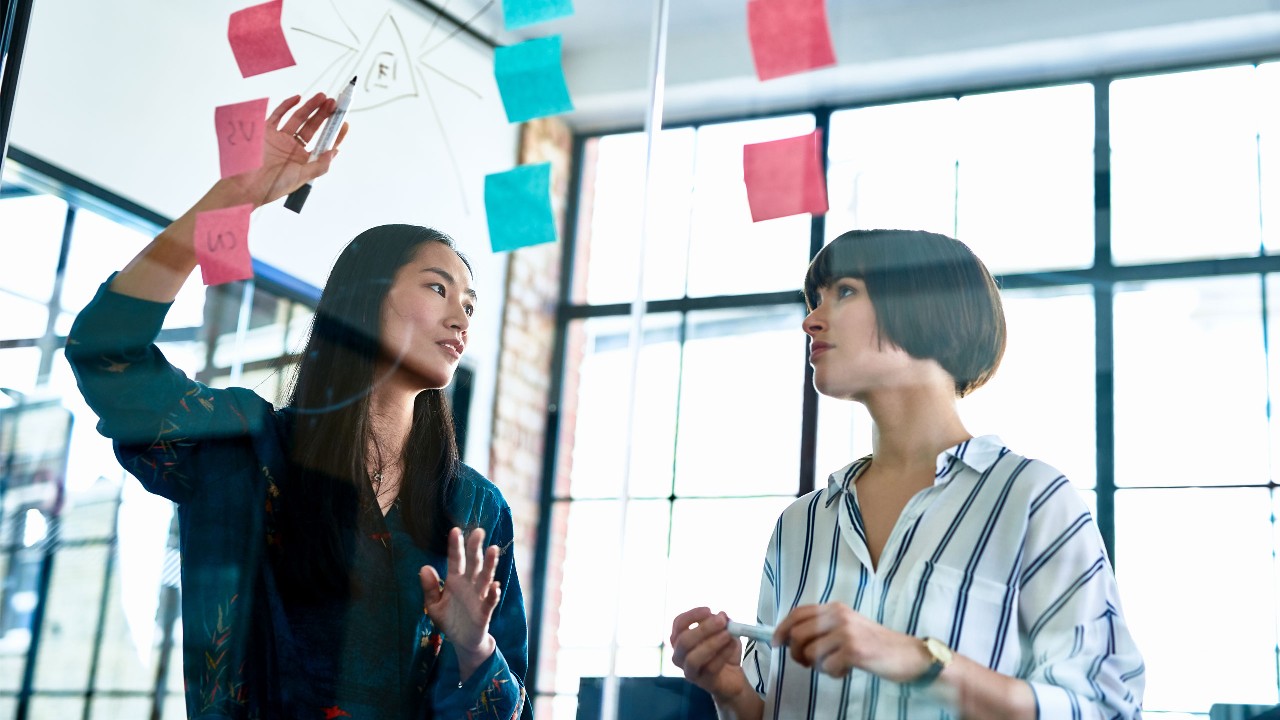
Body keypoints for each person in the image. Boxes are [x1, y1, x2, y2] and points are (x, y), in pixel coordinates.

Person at [65, 93, 530, 719]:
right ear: (364, 300)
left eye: (470, 305)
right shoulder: (247, 449)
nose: (460, 317)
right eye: (438, 287)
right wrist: (229, 198)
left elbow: (515, 710)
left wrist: (474, 647)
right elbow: (106, 352)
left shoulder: (473, 509)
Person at [670, 230, 1144, 719]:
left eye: (845, 291)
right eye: (816, 300)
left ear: (926, 304)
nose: (811, 320)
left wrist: (918, 658)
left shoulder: (1033, 500)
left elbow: (1101, 705)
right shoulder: (801, 524)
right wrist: (732, 695)